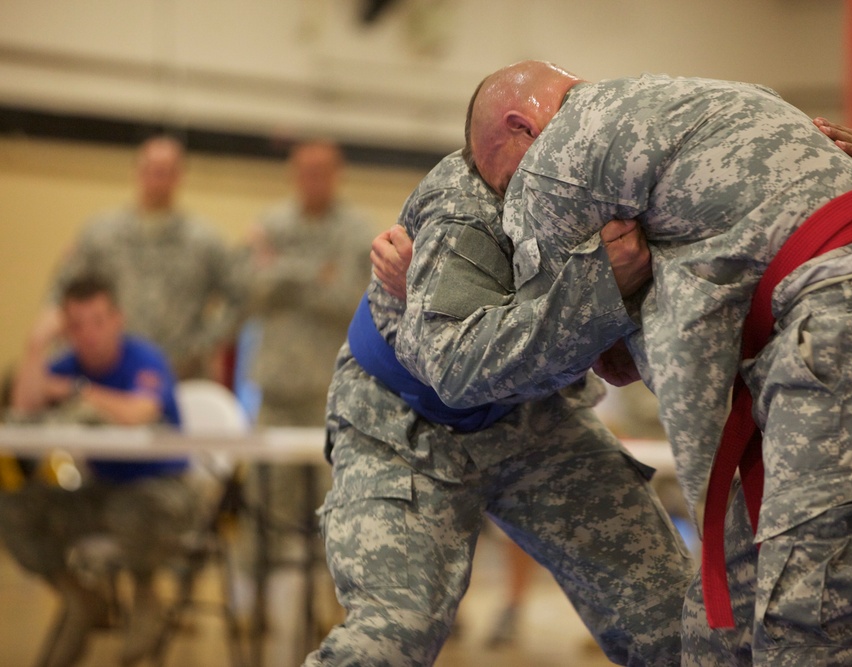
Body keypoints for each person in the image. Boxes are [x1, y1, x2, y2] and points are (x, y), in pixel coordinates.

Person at [421, 60, 852, 665]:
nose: (509, 200)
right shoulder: (733, 99)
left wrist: (608, 294)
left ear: (521, 126)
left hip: (843, 355)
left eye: (501, 182)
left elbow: (591, 355)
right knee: (722, 633)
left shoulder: (558, 162)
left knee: (818, 641)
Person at [303, 151, 694, 667]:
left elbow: (620, 366)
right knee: (391, 637)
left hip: (537, 418)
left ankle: (513, 605)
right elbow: (463, 373)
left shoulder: (617, 204)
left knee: (676, 626)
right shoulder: (460, 201)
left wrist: (604, 300)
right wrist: (594, 296)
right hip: (401, 424)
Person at [0, 275, 201, 667]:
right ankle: (79, 596)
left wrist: (77, 390)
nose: (89, 334)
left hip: (162, 489)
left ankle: (146, 595)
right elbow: (22, 413)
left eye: (98, 320)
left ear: (118, 319)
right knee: (14, 507)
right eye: (76, 324)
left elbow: (139, 412)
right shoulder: (67, 363)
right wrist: (35, 345)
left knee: (130, 510)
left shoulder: (144, 357)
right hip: (101, 488)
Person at [236, 139, 373, 665]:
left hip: (330, 396)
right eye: (305, 170)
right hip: (274, 394)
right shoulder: (270, 219)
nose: (313, 178)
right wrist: (309, 273)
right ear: (294, 172)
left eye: (323, 170)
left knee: (331, 512)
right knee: (261, 511)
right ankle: (259, 608)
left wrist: (282, 271)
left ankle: (329, 612)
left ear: (336, 173)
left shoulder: (357, 231)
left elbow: (351, 296)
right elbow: (248, 288)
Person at [38, 135, 240, 381]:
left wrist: (203, 344)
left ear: (179, 176)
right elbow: (61, 292)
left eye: (166, 171)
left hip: (181, 373)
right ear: (137, 171)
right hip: (112, 374)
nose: (157, 179)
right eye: (151, 170)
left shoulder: (204, 240)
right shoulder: (101, 234)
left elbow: (239, 297)